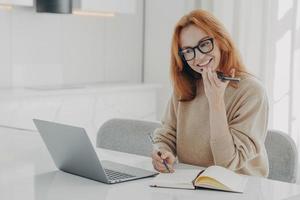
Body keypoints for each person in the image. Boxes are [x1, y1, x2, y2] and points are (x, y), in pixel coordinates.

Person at [151, 9, 269, 177]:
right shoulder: (185, 87)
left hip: (240, 189)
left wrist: (216, 102)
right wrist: (161, 151)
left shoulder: (252, 92)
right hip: (191, 185)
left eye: (204, 44)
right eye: (188, 51)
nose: (198, 57)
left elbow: (227, 163)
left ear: (221, 41)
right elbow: (166, 134)